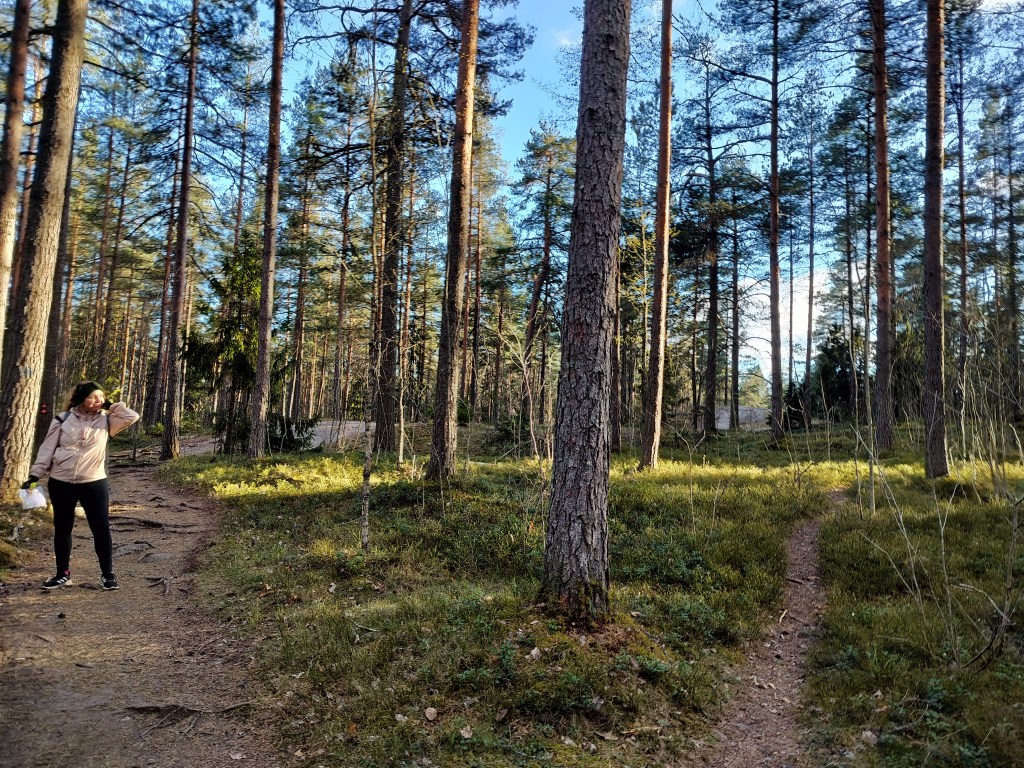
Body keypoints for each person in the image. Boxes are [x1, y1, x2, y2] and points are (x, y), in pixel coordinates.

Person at [24, 381, 140, 590]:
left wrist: (111, 405)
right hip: (61, 481)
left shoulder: (108, 421)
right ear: (80, 399)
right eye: (93, 397)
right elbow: (47, 448)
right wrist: (35, 475)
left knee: (101, 528)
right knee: (62, 528)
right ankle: (62, 574)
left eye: (101, 396)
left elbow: (132, 416)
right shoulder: (62, 419)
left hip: (94, 482)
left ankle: (107, 574)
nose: (98, 400)